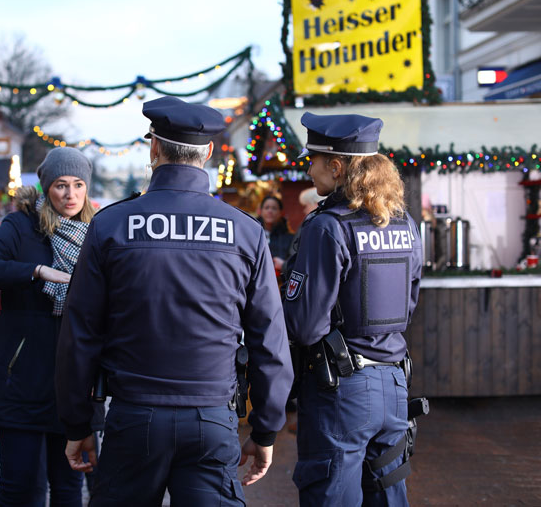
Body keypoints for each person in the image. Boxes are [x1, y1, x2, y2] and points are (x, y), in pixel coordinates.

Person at [55, 96, 293, 506]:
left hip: (134, 415)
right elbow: (269, 342)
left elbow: (80, 333)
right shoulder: (245, 232)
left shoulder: (111, 225)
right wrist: (265, 429)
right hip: (211, 418)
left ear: (154, 149)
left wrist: (78, 424)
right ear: (209, 153)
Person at [282, 112, 423, 506]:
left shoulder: (327, 227)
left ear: (337, 166)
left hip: (341, 392)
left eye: (313, 159)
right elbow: (408, 305)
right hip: (394, 385)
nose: (309, 169)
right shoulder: (405, 224)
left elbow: (306, 326)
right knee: (388, 496)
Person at [0, 147, 98, 506]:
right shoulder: (21, 225)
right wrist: (35, 271)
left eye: (78, 185)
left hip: (72, 380)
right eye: (60, 185)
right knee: (19, 485)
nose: (69, 195)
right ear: (46, 187)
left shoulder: (96, 234)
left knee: (69, 486)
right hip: (21, 376)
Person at [258, 194, 294, 272]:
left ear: (281, 212)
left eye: (274, 208)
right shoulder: (253, 235)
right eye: (266, 208)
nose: (270, 211)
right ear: (260, 211)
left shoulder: (290, 238)